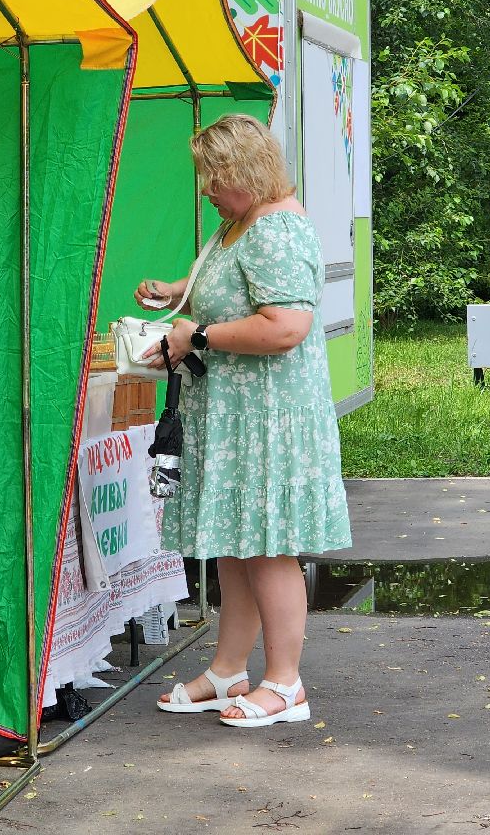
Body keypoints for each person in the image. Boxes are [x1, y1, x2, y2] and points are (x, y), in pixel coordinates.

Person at [142, 113, 350, 729]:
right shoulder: (242, 223)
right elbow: (233, 287)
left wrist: (197, 333)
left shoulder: (275, 228)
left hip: (269, 419)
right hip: (241, 418)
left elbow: (286, 325)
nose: (204, 190)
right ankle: (229, 669)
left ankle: (286, 685)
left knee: (268, 548)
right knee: (237, 545)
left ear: (242, 172)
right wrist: (178, 295)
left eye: (211, 178)